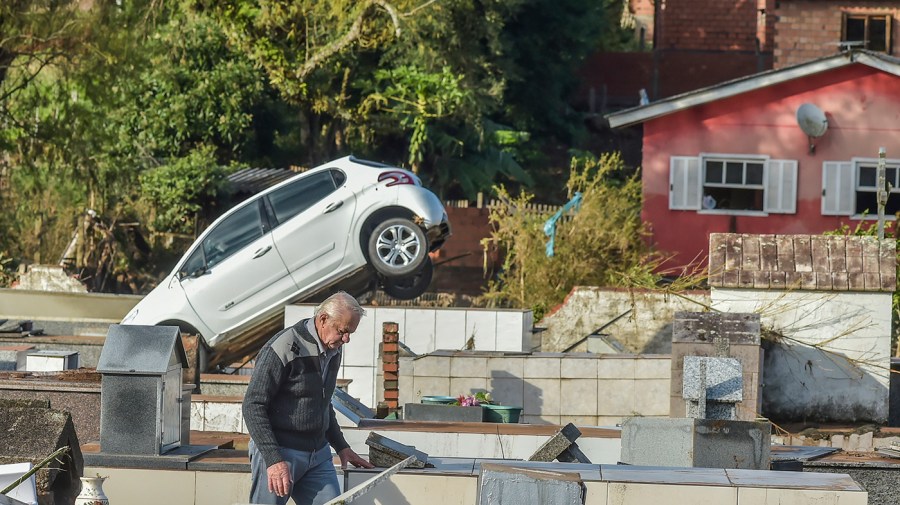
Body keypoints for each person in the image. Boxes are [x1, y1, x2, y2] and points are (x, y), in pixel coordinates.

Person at [243, 291, 374, 505]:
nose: (346, 339)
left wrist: (341, 446)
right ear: (323, 319)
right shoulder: (283, 347)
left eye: (351, 333)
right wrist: (273, 460)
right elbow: (253, 405)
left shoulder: (333, 349)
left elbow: (323, 403)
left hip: (318, 454)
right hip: (280, 451)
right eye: (343, 331)